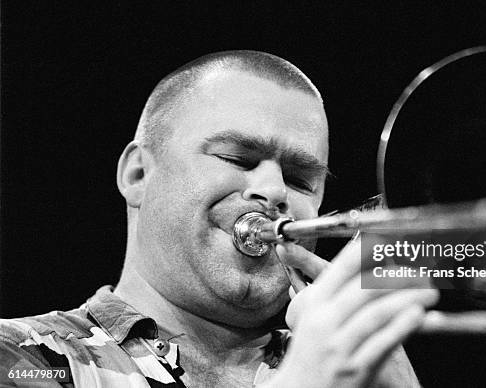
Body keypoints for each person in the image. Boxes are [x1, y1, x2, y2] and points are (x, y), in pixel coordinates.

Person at [0, 51, 438, 387]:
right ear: (137, 175)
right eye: (237, 157)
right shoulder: (23, 359)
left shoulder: (353, 365)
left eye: (301, 180)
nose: (275, 192)